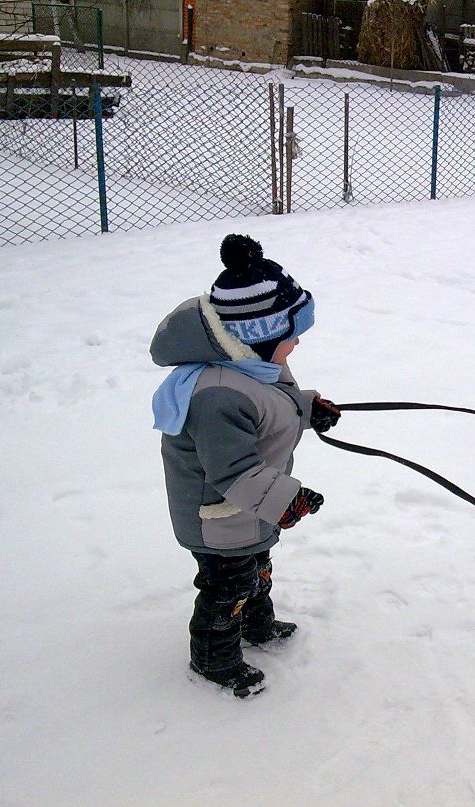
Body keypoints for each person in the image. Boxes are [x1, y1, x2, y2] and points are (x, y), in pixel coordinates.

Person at [150, 234, 341, 698]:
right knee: (228, 585)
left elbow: (270, 404)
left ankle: (258, 625)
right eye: (292, 334)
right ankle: (213, 658)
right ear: (262, 336)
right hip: (219, 514)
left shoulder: (251, 368)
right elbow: (231, 470)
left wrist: (307, 406)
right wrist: (286, 499)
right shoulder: (217, 395)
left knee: (256, 566)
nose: (296, 343)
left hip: (248, 512)